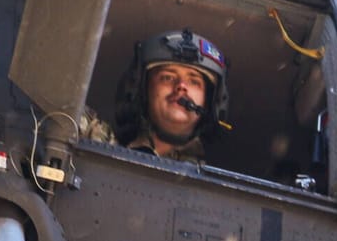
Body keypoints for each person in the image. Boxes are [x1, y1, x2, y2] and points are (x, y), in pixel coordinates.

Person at [85, 28, 229, 162]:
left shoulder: (208, 182)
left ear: (209, 101)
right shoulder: (93, 139)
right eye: (168, 77)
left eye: (194, 81)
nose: (181, 86)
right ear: (142, 90)